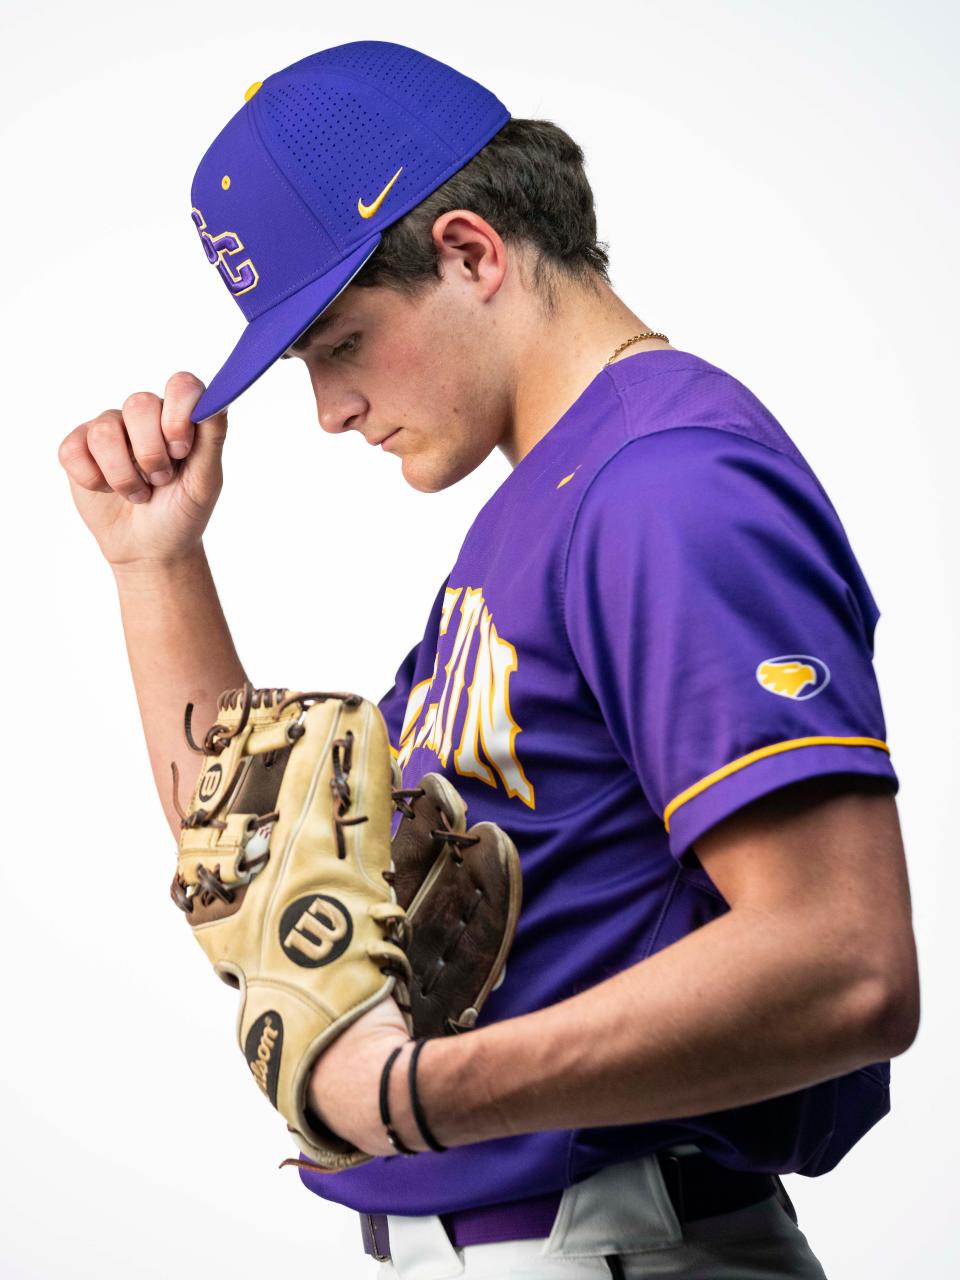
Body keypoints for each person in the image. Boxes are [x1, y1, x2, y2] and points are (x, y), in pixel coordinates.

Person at [58, 40, 919, 1280]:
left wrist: (415, 1096)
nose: (329, 411)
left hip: (630, 1242)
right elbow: (269, 850)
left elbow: (848, 959)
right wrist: (155, 565)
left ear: (471, 252)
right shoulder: (549, 499)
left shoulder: (666, 487)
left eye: (341, 343)